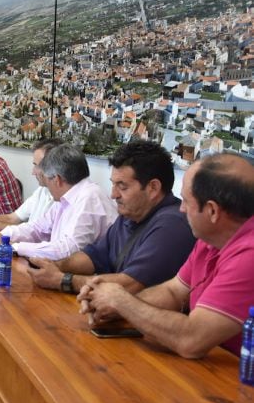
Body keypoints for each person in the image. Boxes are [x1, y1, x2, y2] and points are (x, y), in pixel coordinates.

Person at [78, 153, 254, 358]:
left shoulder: (248, 255)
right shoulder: (211, 238)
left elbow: (191, 340)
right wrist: (113, 306)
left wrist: (122, 301)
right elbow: (173, 292)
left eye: (187, 202)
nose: (181, 208)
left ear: (212, 211)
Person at [28, 140, 195, 294]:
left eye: (122, 187)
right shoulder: (130, 214)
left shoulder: (172, 225)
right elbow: (93, 256)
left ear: (153, 188)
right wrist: (56, 266)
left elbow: (130, 284)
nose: (113, 195)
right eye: (113, 184)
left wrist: (61, 279)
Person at [0, 143, 117, 260]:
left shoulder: (90, 198)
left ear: (57, 179)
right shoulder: (67, 196)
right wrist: (3, 236)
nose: (45, 185)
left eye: (46, 179)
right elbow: (37, 228)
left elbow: (68, 250)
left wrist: (12, 247)